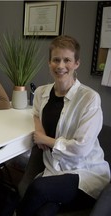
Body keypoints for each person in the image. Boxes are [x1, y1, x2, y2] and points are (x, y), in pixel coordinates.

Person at [16, 35, 110, 216]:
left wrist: (46, 140)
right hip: (55, 169)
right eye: (56, 60)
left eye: (67, 60)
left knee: (38, 189)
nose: (60, 66)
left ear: (76, 63)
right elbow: (35, 113)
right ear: (49, 62)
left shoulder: (89, 98)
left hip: (84, 172)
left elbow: (81, 149)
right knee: (45, 211)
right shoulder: (41, 92)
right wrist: (39, 128)